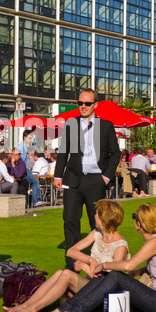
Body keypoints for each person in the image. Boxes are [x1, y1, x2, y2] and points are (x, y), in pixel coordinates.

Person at [40, 203, 156, 312]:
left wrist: (103, 265)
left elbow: (128, 265)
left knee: (114, 275)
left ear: (138, 224)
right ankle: (62, 310)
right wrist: (141, 271)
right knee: (107, 276)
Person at [3, 199, 129, 312]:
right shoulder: (97, 233)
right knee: (59, 273)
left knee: (67, 274)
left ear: (103, 218)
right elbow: (71, 251)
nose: (94, 215)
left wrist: (88, 269)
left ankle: (32, 310)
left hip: (100, 295)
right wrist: (90, 260)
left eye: (96, 213)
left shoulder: (120, 246)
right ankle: (26, 305)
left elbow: (112, 281)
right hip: (89, 285)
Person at [54, 88, 120, 270]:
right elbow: (63, 152)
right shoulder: (70, 124)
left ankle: (98, 260)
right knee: (69, 219)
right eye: (80, 103)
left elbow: (116, 154)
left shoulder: (106, 126)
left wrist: (106, 177)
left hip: (96, 181)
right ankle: (73, 263)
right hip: (73, 179)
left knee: (97, 222)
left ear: (95, 105)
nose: (83, 106)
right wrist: (58, 175)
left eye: (87, 103)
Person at [17, 131, 45, 207]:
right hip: (23, 168)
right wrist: (29, 154)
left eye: (31, 138)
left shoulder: (23, 146)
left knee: (30, 183)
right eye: (29, 138)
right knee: (35, 181)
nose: (30, 140)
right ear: (24, 137)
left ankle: (33, 200)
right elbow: (19, 159)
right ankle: (36, 200)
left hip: (24, 168)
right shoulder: (21, 146)